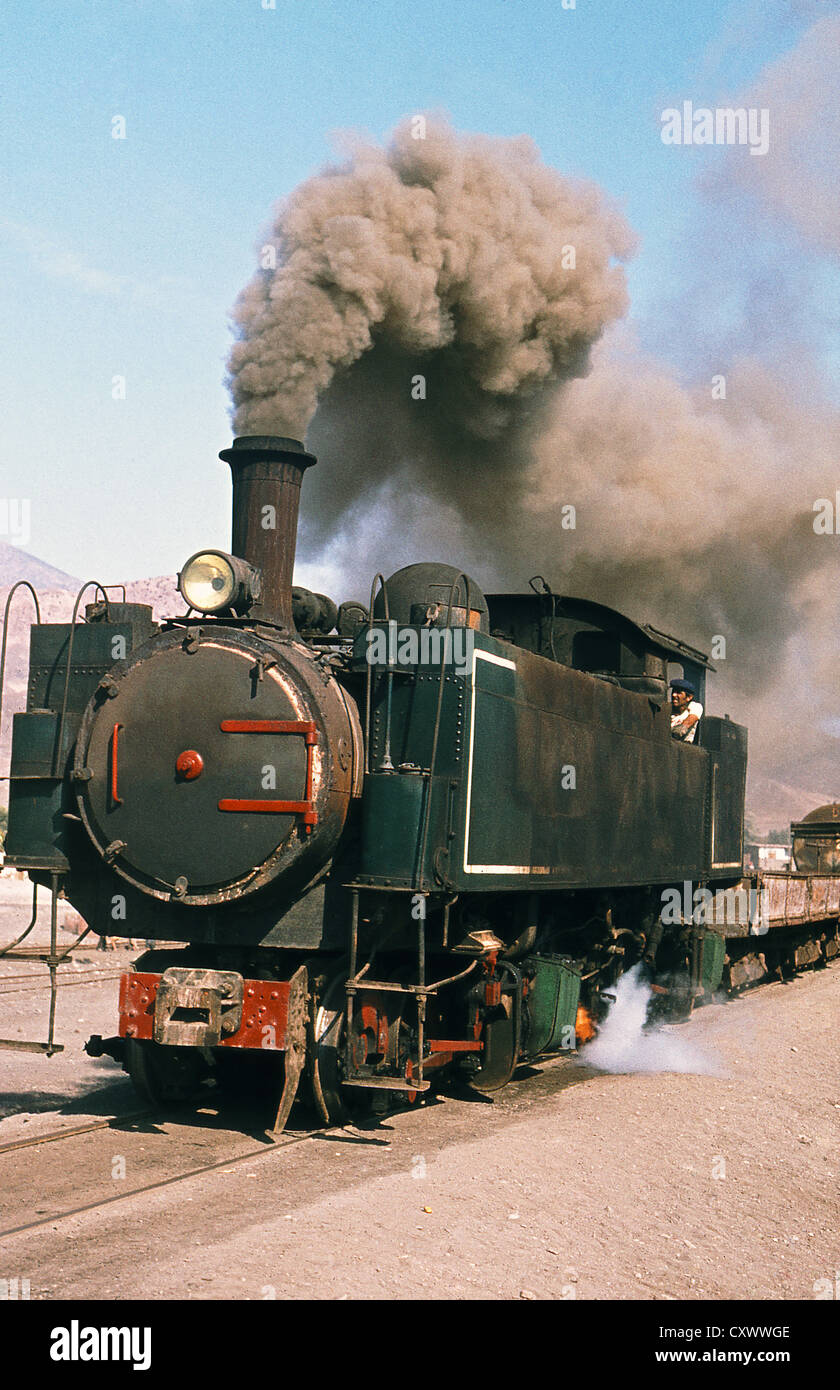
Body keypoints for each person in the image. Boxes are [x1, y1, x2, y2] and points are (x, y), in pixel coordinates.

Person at [670, 678, 703, 743]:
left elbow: (687, 723)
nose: (674, 695)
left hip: (684, 747)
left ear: (689, 697)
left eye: (678, 693)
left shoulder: (695, 706)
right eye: (673, 691)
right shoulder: (667, 708)